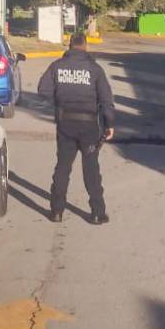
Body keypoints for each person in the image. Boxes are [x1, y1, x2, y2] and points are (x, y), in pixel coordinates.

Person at [37, 33, 115, 225]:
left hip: (65, 125)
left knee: (63, 168)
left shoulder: (57, 66)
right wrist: (109, 124)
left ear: (70, 45)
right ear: (85, 46)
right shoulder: (95, 69)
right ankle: (97, 213)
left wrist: (59, 99)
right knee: (91, 169)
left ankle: (56, 211)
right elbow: (106, 100)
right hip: (89, 128)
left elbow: (43, 90)